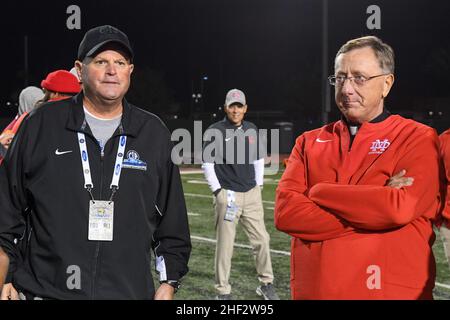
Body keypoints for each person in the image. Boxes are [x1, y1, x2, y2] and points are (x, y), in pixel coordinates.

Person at [0, 25, 191, 300]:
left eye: (120, 63)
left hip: (128, 293)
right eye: (101, 61)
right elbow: (8, 208)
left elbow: (172, 220)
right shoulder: (42, 124)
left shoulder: (153, 133)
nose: (112, 70)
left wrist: (169, 281)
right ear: (80, 69)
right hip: (46, 291)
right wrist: (7, 275)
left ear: (130, 71)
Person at [275, 36, 441, 299]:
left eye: (359, 78)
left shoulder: (418, 137)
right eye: (340, 78)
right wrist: (374, 199)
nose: (347, 89)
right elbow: (286, 214)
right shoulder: (307, 142)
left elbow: (398, 208)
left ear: (387, 83)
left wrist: (319, 192)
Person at [202, 89, 279, 300]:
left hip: (251, 194)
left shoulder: (251, 129)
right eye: (232, 106)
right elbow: (207, 164)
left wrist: (259, 186)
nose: (235, 110)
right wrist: (218, 191)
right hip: (228, 195)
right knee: (225, 246)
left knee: (262, 240)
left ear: (245, 109)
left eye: (239, 106)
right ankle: (223, 291)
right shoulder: (215, 130)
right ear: (226, 107)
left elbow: (258, 160)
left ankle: (266, 284)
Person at [0, 86, 44, 161]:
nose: (42, 108)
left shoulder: (41, 123)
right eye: (37, 104)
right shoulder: (12, 131)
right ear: (26, 104)